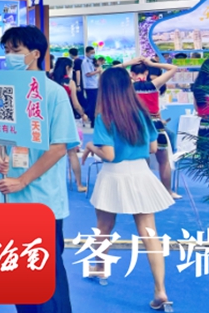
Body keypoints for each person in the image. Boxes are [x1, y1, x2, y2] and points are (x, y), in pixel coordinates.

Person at [0, 26, 78, 313]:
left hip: (41, 201)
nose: (9, 56)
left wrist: (22, 180)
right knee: (21, 277)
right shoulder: (2, 93)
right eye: (6, 51)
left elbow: (58, 147)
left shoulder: (54, 93)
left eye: (15, 50)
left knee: (47, 278)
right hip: (10, 200)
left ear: (35, 54)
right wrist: (1, 158)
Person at [81, 67, 174, 310]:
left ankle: (100, 268)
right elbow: (153, 149)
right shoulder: (142, 114)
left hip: (113, 176)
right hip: (141, 174)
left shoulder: (104, 117)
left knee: (104, 228)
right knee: (150, 233)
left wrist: (90, 146)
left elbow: (109, 155)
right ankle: (160, 290)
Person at [126, 57, 179, 198]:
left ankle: (143, 193)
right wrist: (152, 64)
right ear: (146, 72)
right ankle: (168, 192)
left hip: (137, 125)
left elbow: (111, 72)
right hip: (156, 125)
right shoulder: (154, 85)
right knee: (164, 160)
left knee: (142, 161)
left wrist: (128, 63)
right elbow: (173, 68)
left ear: (132, 74)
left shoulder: (127, 87)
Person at [51, 57, 89, 192]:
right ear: (68, 68)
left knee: (50, 153)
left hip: (50, 121)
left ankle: (52, 184)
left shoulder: (49, 80)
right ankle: (79, 184)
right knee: (72, 153)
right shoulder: (69, 83)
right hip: (65, 120)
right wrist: (83, 114)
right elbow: (76, 104)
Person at [81, 46, 103, 122]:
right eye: (91, 53)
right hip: (90, 86)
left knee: (95, 102)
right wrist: (97, 71)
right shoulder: (85, 62)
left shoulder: (92, 61)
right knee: (92, 103)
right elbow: (88, 74)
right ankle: (91, 118)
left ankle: (92, 116)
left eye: (94, 52)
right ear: (87, 53)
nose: (93, 54)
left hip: (95, 84)